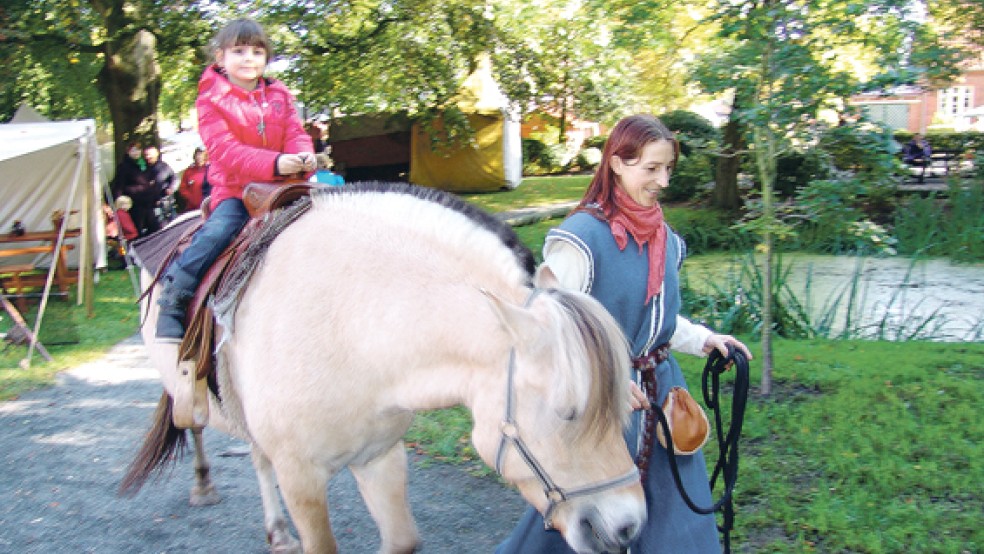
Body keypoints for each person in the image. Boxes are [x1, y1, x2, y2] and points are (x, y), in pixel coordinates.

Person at [496, 114, 752, 553]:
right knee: (582, 518)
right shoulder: (581, 240)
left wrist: (705, 339)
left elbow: (657, 320)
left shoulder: (665, 240)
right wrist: (608, 380)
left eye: (667, 168)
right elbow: (551, 327)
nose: (663, 181)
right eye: (651, 169)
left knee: (677, 518)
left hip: (663, 396)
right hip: (600, 404)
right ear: (616, 163)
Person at [155, 18, 315, 341]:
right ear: (220, 58)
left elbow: (296, 133)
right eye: (239, 50)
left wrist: (303, 156)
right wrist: (275, 163)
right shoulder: (210, 100)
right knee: (220, 230)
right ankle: (175, 295)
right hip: (236, 191)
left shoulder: (280, 96)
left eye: (257, 52)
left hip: (284, 187)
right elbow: (226, 152)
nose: (248, 58)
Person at [111, 142, 160, 237]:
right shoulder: (124, 166)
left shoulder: (144, 164)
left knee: (155, 228)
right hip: (134, 204)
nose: (136, 152)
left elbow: (152, 181)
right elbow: (119, 185)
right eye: (133, 150)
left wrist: (155, 197)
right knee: (137, 231)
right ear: (128, 152)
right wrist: (117, 201)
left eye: (137, 150)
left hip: (148, 202)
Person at [176, 146, 210, 213]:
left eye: (201, 155)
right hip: (193, 208)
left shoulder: (210, 169)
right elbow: (182, 189)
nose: (199, 157)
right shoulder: (188, 171)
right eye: (197, 155)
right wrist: (191, 198)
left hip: (208, 205)